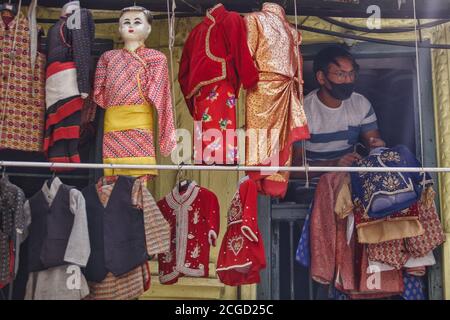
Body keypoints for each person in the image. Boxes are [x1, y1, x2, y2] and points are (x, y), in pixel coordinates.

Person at [292, 46, 385, 177]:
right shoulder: (301, 111)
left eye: (351, 74)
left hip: (348, 181)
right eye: (340, 74)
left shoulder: (360, 104)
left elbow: (374, 143)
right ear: (321, 77)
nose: (348, 80)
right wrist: (334, 164)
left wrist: (377, 148)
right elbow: (293, 168)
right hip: (309, 185)